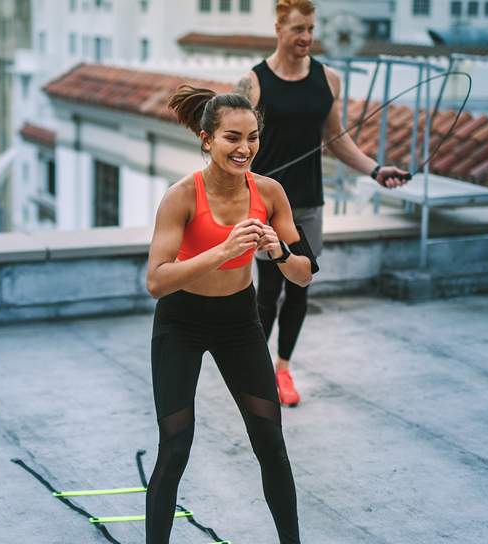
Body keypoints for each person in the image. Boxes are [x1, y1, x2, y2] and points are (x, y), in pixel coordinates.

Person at [144, 84, 318, 544]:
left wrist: (279, 251)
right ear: (207, 140)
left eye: (252, 137)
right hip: (180, 321)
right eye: (232, 138)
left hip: (239, 322)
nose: (245, 149)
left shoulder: (270, 192)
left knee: (271, 444)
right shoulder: (181, 197)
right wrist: (222, 250)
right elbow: (157, 281)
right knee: (176, 447)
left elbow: (303, 275)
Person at [234, 0, 408, 407]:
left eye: (311, 28)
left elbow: (336, 139)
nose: (307, 37)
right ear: (278, 28)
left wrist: (375, 169)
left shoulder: (327, 79)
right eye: (298, 29)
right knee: (269, 289)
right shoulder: (253, 82)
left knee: (300, 286)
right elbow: (237, 145)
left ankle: (282, 370)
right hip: (267, 204)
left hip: (309, 202)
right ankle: (255, 374)